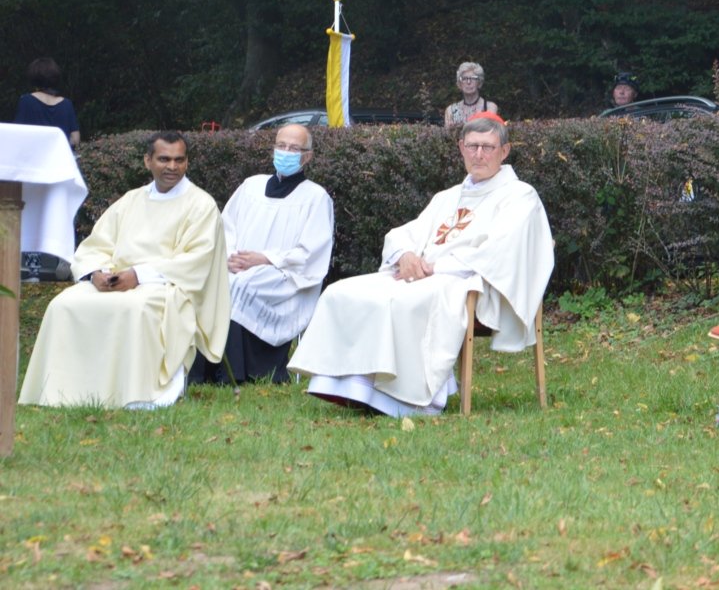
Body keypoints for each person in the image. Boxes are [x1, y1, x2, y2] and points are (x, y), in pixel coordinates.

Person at [288, 113, 554, 416]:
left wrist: (432, 268)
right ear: (461, 148)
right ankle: (350, 386)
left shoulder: (520, 196)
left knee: (402, 300)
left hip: (470, 283)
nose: (479, 154)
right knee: (341, 292)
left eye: (488, 147)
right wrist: (405, 256)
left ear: (504, 151)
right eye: (472, 146)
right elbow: (407, 233)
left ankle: (410, 398)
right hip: (424, 273)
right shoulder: (448, 196)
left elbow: (502, 252)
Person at [18, 132, 229, 409]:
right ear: (147, 161)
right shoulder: (131, 200)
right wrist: (96, 273)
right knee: (63, 304)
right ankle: (59, 390)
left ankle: (135, 394)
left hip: (166, 286)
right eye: (164, 159)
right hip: (115, 279)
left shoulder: (201, 204)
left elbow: (196, 261)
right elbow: (97, 244)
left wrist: (138, 276)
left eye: (179, 160)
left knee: (135, 309)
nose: (172, 167)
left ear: (187, 162)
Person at [190, 124, 335, 386]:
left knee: (239, 286)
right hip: (239, 264)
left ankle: (235, 372)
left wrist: (264, 258)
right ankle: (201, 371)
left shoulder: (316, 197)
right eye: (282, 146)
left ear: (308, 156)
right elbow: (226, 228)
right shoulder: (251, 186)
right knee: (211, 281)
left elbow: (311, 252)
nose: (286, 152)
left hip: (284, 275)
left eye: (294, 148)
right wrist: (232, 258)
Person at [13, 57, 81, 149]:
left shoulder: (27, 101)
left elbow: (17, 133)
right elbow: (75, 139)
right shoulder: (66, 104)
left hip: (35, 158)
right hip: (59, 158)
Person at [443, 62, 499, 127]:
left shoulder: (490, 107)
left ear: (479, 83)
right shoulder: (450, 110)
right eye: (464, 79)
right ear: (459, 84)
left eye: (473, 78)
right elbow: (448, 136)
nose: (468, 82)